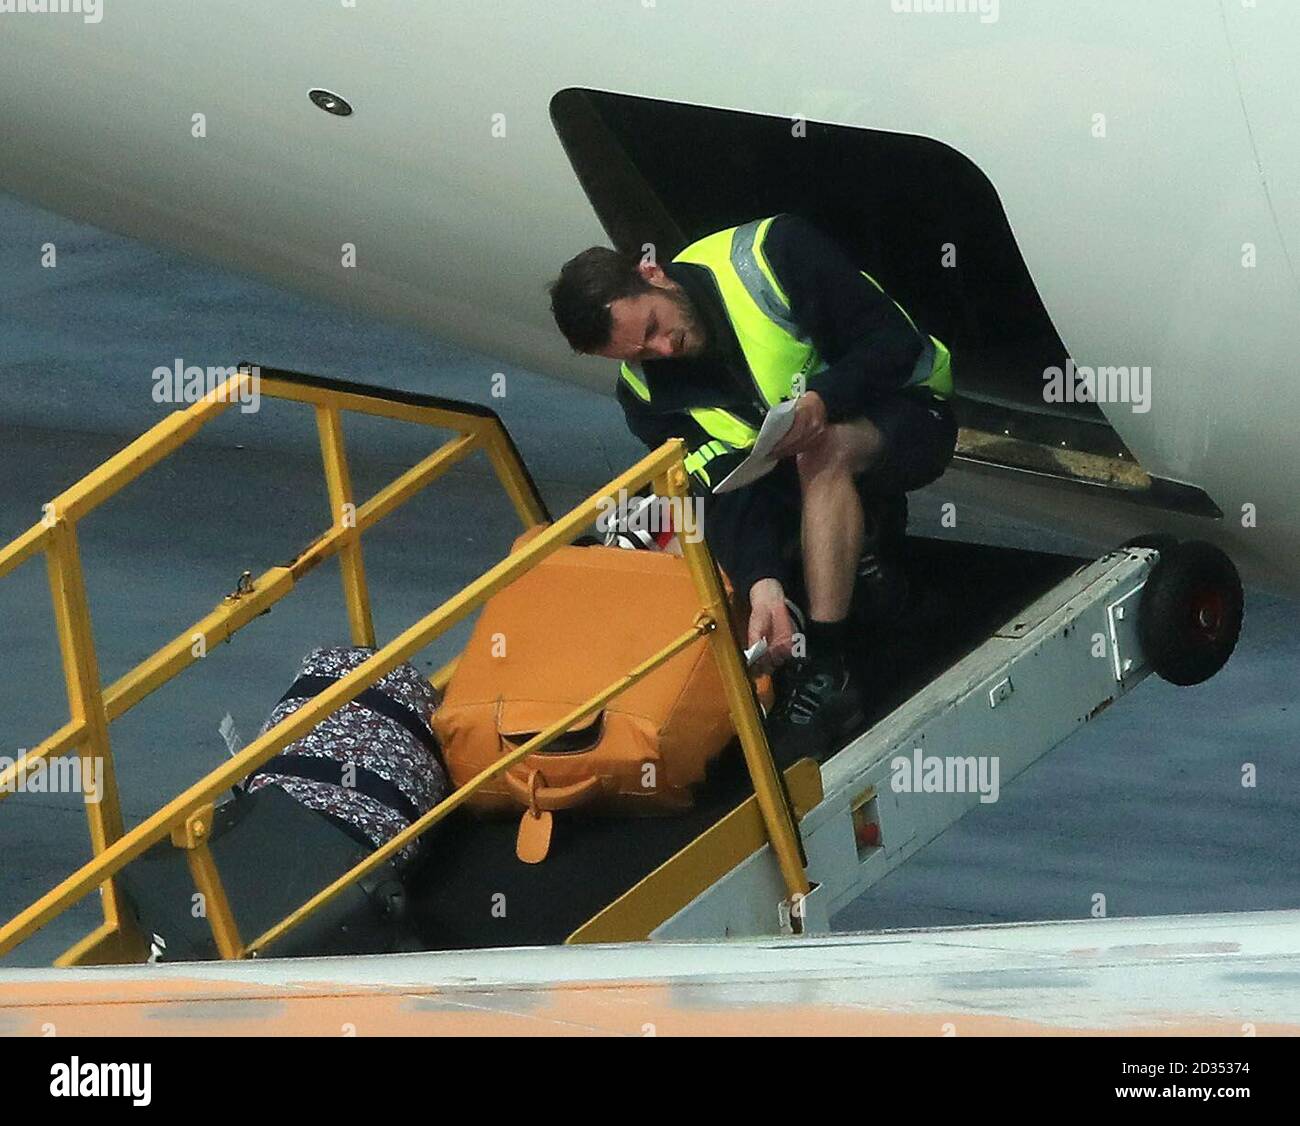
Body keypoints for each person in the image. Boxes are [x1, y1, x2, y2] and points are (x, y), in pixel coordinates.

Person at [548, 214, 956, 753]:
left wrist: (823, 400)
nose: (662, 352)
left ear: (653, 273)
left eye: (652, 328)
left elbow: (893, 343)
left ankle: (831, 671)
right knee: (686, 523)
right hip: (789, 469)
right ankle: (869, 566)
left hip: (907, 410)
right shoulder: (644, 398)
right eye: (639, 352)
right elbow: (723, 490)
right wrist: (761, 580)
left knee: (823, 449)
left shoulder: (771, 255)